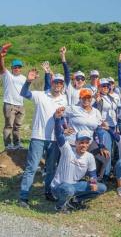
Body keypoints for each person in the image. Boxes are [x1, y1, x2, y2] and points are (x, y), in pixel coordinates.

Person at [18, 69, 68, 207]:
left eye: (60, 83)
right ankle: (23, 197)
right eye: (55, 82)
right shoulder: (41, 95)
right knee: (32, 167)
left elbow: (65, 119)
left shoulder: (64, 99)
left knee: (51, 168)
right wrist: (28, 81)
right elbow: (24, 93)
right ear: (51, 82)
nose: (57, 84)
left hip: (55, 139)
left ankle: (48, 192)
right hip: (38, 137)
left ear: (62, 85)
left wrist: (65, 128)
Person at [51, 107, 107, 213]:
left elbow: (92, 174)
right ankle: (60, 206)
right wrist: (58, 119)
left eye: (86, 142)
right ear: (76, 142)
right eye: (81, 142)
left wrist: (94, 182)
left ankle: (75, 201)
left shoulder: (89, 156)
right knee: (69, 189)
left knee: (102, 188)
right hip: (59, 186)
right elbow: (58, 134)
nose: (84, 145)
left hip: (75, 186)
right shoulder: (67, 149)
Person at [1, 45, 27, 150]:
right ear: (12, 68)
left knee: (17, 126)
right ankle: (8, 145)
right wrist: (1, 57)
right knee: (9, 126)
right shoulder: (7, 75)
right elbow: (1, 67)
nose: (17, 69)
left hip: (20, 105)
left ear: (21, 68)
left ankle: (17, 143)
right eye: (15, 67)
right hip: (9, 104)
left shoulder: (24, 78)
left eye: (19, 67)